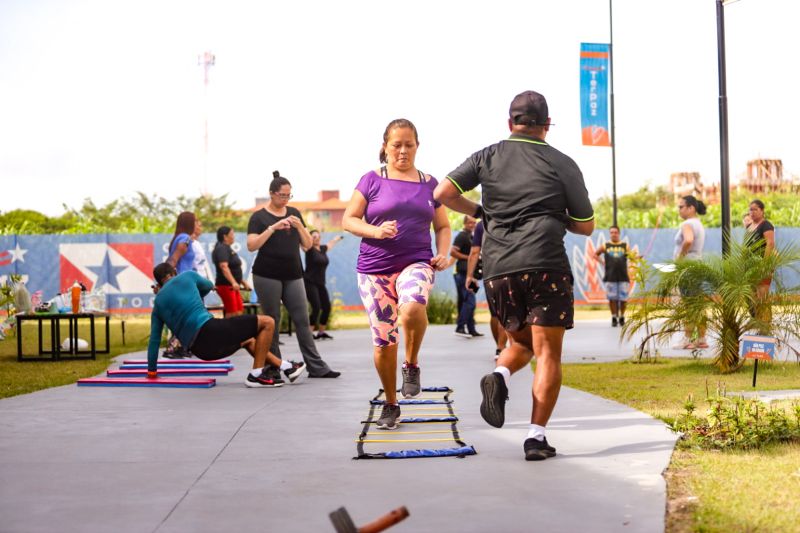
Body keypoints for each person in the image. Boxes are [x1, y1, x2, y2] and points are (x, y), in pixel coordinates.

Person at [434, 90, 595, 461]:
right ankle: (536, 437)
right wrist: (555, 217)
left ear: (511, 124)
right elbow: (586, 226)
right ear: (547, 126)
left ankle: (500, 376)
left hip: (499, 269)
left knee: (520, 345)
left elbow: (443, 191)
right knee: (548, 353)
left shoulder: (488, 155)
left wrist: (481, 210)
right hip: (545, 264)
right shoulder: (562, 162)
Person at [343, 118, 451, 431]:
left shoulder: (431, 184)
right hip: (374, 269)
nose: (403, 151)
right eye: (396, 145)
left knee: (414, 305)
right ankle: (391, 403)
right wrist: (375, 231)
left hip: (416, 260)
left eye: (409, 144)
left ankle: (412, 364)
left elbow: (443, 226)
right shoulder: (371, 180)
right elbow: (349, 220)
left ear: (418, 146)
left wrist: (441, 252)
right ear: (385, 147)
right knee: (383, 341)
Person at [146, 263, 306, 388]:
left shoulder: (158, 304)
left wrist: (152, 372)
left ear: (158, 282)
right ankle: (256, 375)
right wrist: (196, 294)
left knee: (249, 340)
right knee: (267, 322)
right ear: (174, 271)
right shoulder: (187, 276)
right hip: (209, 331)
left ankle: (286, 367)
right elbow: (208, 286)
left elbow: (154, 341)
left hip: (202, 351)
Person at [247, 171, 340, 378]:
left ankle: (316, 367)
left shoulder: (295, 213)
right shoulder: (259, 217)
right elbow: (252, 245)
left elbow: (307, 246)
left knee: (302, 319)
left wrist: (300, 226)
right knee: (272, 320)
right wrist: (273, 227)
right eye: (282, 195)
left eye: (289, 195)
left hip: (294, 276)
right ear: (272, 194)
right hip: (266, 275)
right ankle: (274, 368)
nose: (286, 199)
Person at [466, 220, 508, 360]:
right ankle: (501, 348)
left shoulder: (481, 224)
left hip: (490, 273)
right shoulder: (510, 215)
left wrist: (470, 276)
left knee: (495, 313)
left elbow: (475, 252)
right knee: (505, 311)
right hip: (510, 268)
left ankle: (499, 348)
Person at [163, 211, 202, 358]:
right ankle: (172, 348)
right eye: (195, 221)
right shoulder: (184, 238)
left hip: (185, 281)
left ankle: (182, 347)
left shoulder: (181, 238)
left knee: (188, 316)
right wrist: (164, 280)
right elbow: (173, 260)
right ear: (188, 223)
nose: (197, 224)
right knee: (187, 316)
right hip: (183, 282)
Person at [674, 194, 708, 350]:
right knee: (698, 305)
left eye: (681, 207)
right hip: (696, 266)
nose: (679, 210)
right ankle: (701, 339)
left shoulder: (687, 223)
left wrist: (680, 258)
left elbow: (688, 240)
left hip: (687, 268)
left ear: (691, 208)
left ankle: (687, 339)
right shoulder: (698, 223)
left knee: (689, 305)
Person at [303, 230, 343, 340]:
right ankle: (309, 334)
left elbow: (330, 244)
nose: (316, 238)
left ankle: (321, 332)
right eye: (313, 237)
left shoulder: (322, 249)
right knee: (316, 307)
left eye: (317, 236)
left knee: (326, 307)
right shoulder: (308, 249)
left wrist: (337, 238)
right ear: (310, 238)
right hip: (310, 283)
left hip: (321, 283)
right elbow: (300, 242)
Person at [450, 215, 482, 338]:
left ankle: (471, 329)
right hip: (462, 274)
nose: (472, 225)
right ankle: (459, 327)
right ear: (464, 223)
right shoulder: (462, 236)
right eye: (470, 223)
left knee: (467, 302)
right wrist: (468, 257)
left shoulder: (472, 236)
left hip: (471, 275)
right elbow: (453, 252)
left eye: (474, 223)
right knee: (470, 302)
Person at [745, 199, 775, 326]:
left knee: (762, 297)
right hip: (749, 267)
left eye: (755, 209)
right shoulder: (749, 226)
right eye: (750, 209)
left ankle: (765, 326)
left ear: (762, 211)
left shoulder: (766, 225)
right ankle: (757, 321)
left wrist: (765, 265)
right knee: (751, 297)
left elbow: (770, 244)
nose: (752, 212)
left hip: (762, 266)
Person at [594, 225, 631, 327]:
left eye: (615, 232)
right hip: (610, 276)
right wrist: (603, 262)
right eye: (611, 232)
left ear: (619, 233)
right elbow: (595, 254)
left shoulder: (625, 246)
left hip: (623, 276)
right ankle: (614, 317)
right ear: (609, 234)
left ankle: (622, 316)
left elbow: (632, 256)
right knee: (612, 299)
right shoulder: (606, 245)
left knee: (623, 299)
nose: (613, 234)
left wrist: (637, 257)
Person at [212, 226, 251, 317]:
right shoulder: (222, 248)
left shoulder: (228, 248)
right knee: (232, 313)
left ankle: (236, 331)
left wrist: (242, 282)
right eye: (232, 234)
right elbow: (224, 267)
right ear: (225, 237)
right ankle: (227, 331)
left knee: (239, 312)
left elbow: (233, 268)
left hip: (233, 286)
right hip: (226, 285)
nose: (234, 236)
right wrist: (234, 282)